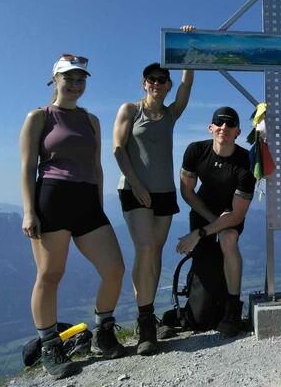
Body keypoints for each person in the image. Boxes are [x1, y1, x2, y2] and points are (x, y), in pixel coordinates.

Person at [20, 54, 126, 380]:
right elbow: (26, 167)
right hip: (51, 197)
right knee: (51, 273)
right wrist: (28, 211)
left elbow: (96, 166)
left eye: (81, 79)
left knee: (114, 269)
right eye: (70, 78)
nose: (77, 84)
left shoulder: (91, 120)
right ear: (55, 79)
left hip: (86, 201)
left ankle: (102, 331)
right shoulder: (39, 117)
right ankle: (50, 345)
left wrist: (97, 204)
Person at [112, 50, 194, 354]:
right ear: (144, 83)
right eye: (151, 79)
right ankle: (146, 324)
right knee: (145, 248)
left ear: (168, 85)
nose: (157, 83)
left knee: (155, 252)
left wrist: (188, 56)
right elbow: (118, 149)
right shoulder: (130, 110)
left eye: (162, 79)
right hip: (134, 190)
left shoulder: (170, 115)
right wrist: (136, 184)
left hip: (164, 193)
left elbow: (186, 90)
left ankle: (148, 314)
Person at [176, 106, 256, 337]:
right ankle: (194, 306)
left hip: (231, 215)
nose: (224, 128)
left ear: (238, 131)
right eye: (219, 124)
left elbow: (237, 216)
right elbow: (187, 192)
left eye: (230, 125)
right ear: (210, 127)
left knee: (229, 239)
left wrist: (199, 234)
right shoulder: (195, 151)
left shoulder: (245, 162)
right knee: (202, 319)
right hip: (203, 214)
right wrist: (212, 224)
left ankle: (233, 307)